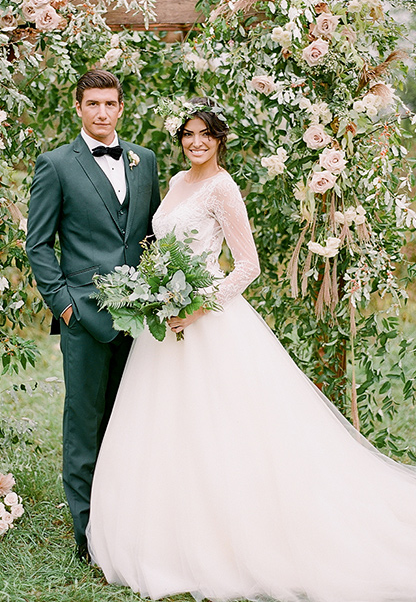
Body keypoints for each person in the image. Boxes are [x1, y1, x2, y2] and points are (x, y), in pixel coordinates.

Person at [86, 97, 416, 602]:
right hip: (165, 325)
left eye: (206, 135)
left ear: (220, 141)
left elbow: (247, 266)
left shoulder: (224, 188)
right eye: (189, 135)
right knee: (165, 427)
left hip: (209, 321)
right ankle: (162, 534)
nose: (196, 143)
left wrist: (197, 307)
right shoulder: (176, 183)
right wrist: (154, 290)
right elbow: (162, 246)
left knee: (226, 429)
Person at [26, 69, 160, 561]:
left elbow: (152, 236)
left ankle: (128, 520)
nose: (102, 113)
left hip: (143, 318)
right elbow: (38, 244)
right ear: (78, 108)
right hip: (83, 315)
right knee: (84, 423)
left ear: (121, 108)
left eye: (110, 104)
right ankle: (88, 536)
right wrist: (64, 305)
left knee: (132, 420)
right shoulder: (56, 165)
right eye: (92, 104)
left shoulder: (144, 161)